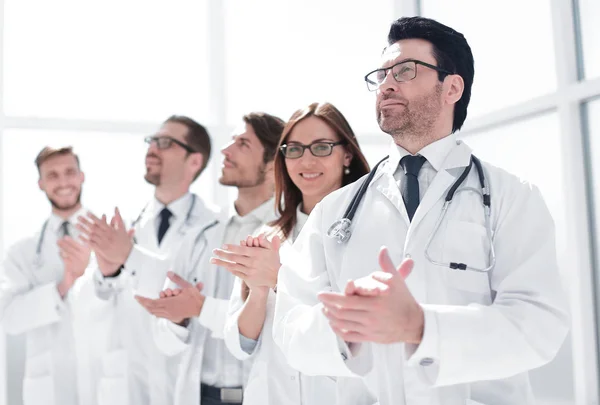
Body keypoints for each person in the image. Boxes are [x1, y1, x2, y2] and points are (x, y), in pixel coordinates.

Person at [272, 16, 570, 405]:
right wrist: (348, 328)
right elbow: (291, 328)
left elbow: (539, 325)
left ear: (452, 87)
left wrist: (422, 327)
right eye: (381, 75)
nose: (387, 84)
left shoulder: (512, 197)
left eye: (405, 70)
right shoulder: (336, 210)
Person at [211, 102, 375, 405]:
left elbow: (364, 334)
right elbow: (240, 344)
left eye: (322, 148)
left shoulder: (372, 231)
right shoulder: (267, 236)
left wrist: (280, 280)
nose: (307, 160)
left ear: (347, 154)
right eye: (295, 149)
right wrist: (259, 292)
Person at [134, 112, 285, 405]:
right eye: (230, 142)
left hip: (262, 394)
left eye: (243, 144)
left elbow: (280, 327)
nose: (225, 152)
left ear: (272, 165)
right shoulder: (199, 235)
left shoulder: (290, 235)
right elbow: (164, 341)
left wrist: (200, 308)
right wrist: (176, 319)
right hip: (199, 395)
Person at [76, 115, 217, 405]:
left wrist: (128, 256)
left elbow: (197, 298)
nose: (152, 148)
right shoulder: (124, 225)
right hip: (129, 382)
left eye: (165, 143)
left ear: (194, 161)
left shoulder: (214, 228)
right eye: (152, 141)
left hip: (185, 380)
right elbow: (85, 310)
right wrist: (108, 273)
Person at [0, 146, 107, 405]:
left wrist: (88, 278)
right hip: (48, 384)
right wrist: (65, 284)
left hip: (103, 374)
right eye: (53, 175)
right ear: (40, 184)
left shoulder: (109, 237)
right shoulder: (22, 252)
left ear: (82, 176)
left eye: (70, 172)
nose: (63, 182)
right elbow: (8, 318)